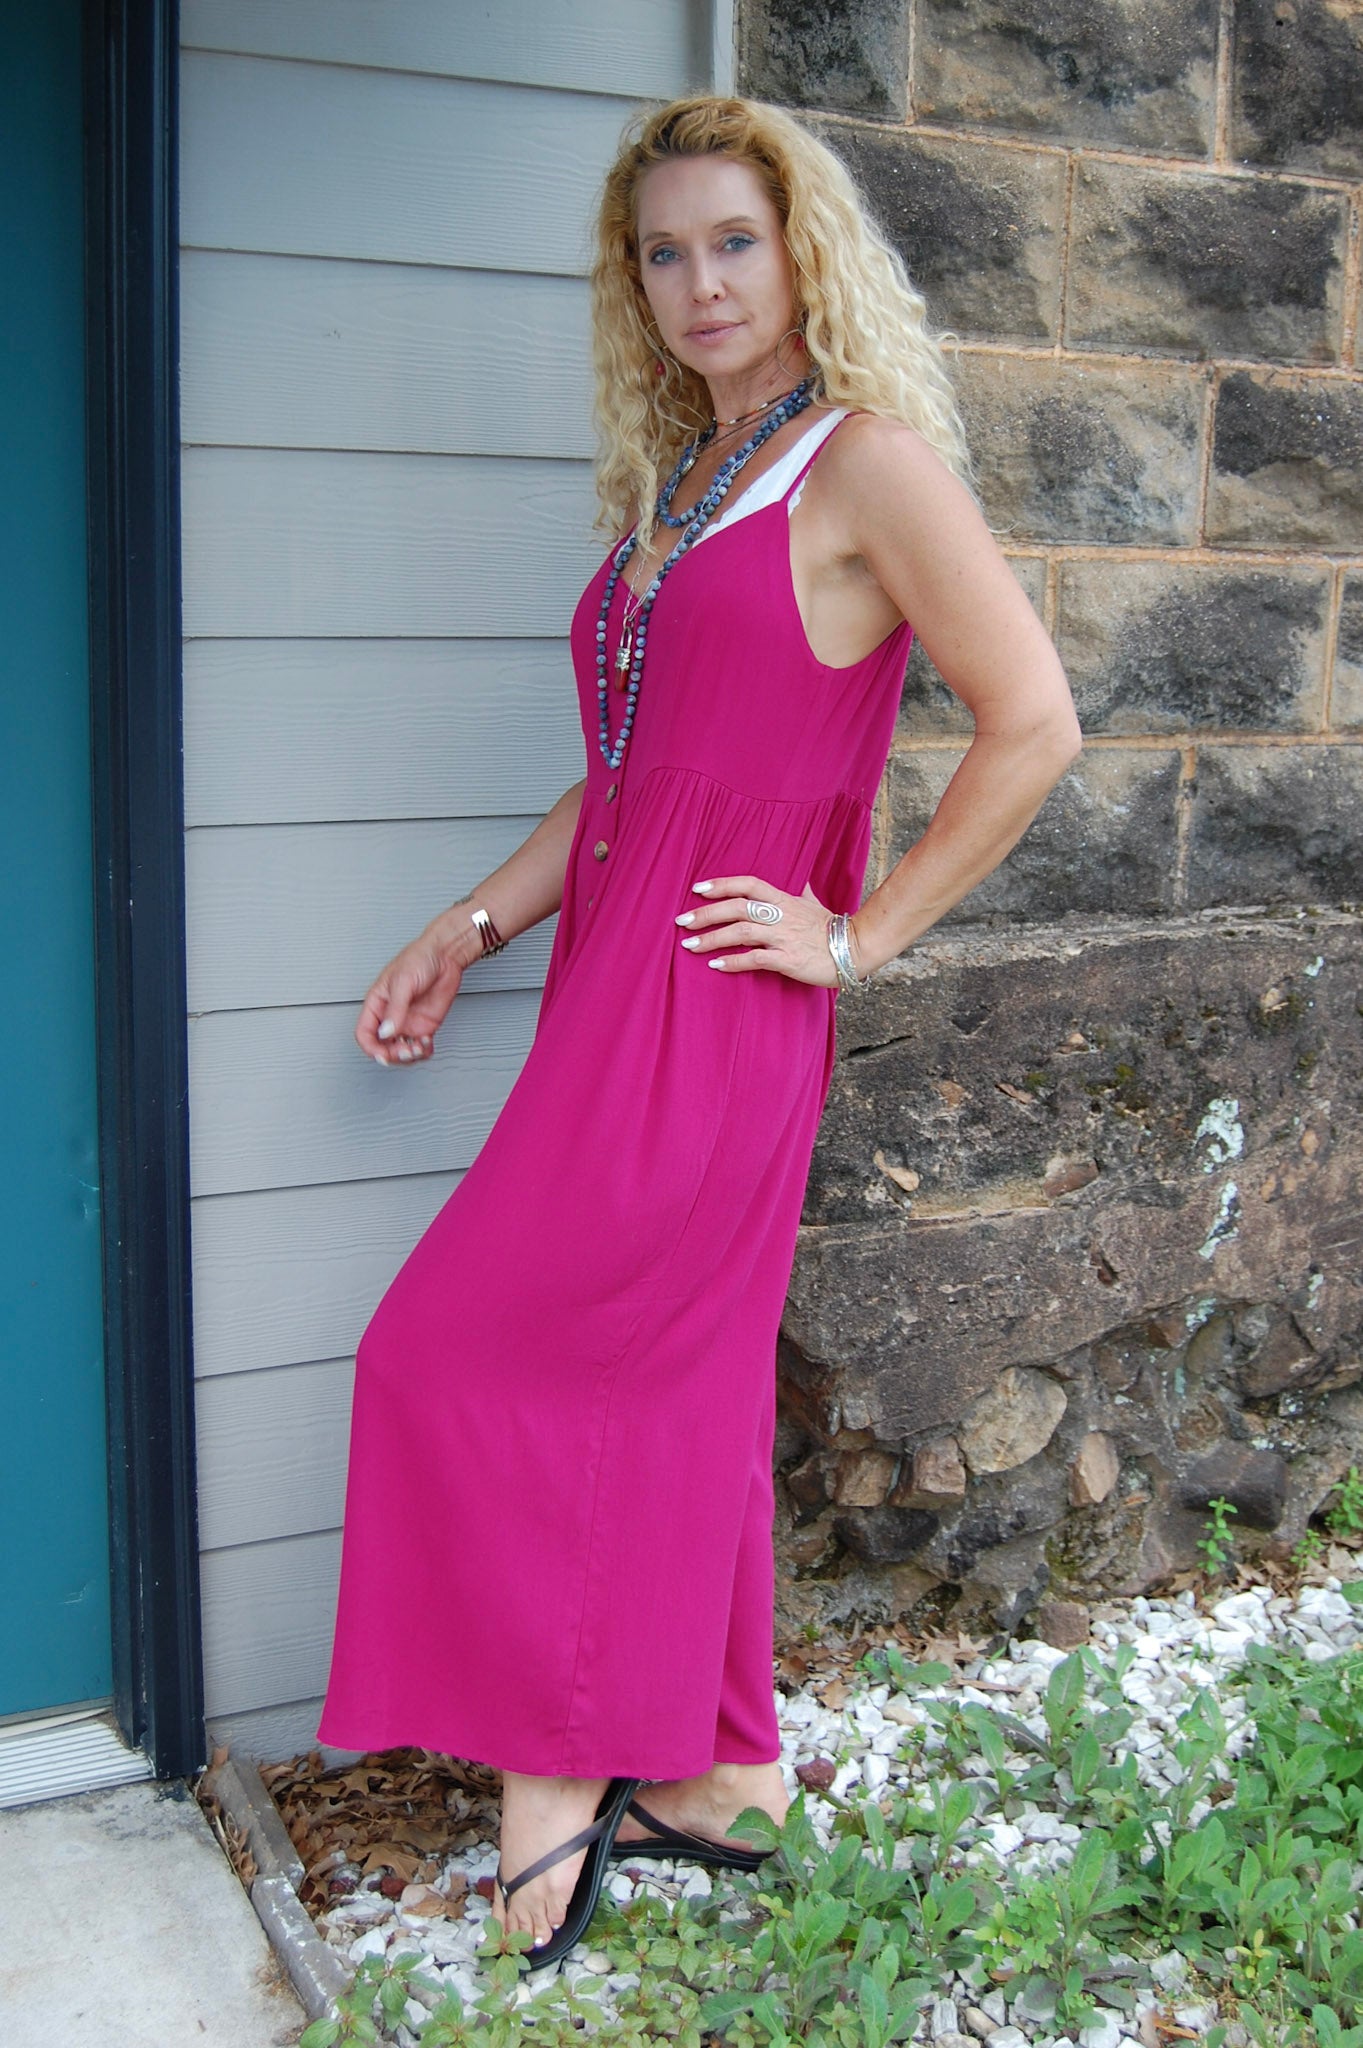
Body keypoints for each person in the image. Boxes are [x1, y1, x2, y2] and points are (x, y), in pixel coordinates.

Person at [315, 92, 1083, 1968]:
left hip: (719, 1008)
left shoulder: (865, 466)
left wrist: (858, 936)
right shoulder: (686, 480)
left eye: (734, 240)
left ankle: (554, 1789)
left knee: (453, 1346)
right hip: (608, 990)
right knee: (675, 1381)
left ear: (802, 249)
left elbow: (1036, 722)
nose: (699, 282)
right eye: (663, 253)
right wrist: (470, 927)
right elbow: (630, 781)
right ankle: (722, 1764)